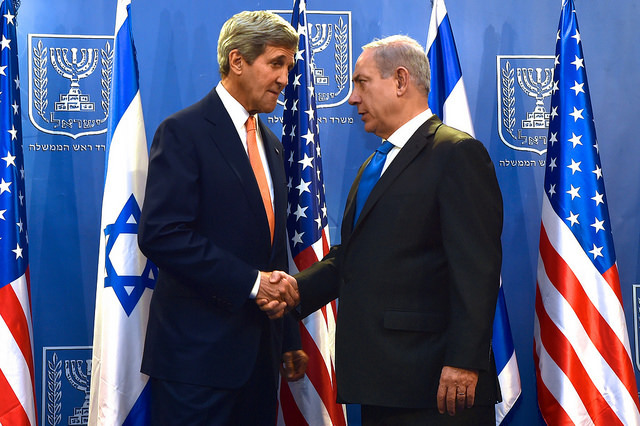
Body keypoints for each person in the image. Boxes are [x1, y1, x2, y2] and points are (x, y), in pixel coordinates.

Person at [264, 35, 503, 425]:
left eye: (361, 82)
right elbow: (354, 257)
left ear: (400, 80)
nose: (351, 99)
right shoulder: (376, 163)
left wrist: (463, 362)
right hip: (384, 382)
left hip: (437, 386)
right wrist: (293, 290)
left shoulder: (456, 154)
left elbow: (477, 269)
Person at [138, 10, 307, 425]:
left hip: (260, 362)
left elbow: (270, 247)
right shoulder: (184, 131)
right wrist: (252, 284)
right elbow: (162, 234)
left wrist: (287, 337)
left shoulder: (269, 142)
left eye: (289, 66)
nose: (285, 79)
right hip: (196, 364)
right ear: (237, 61)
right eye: (276, 64)